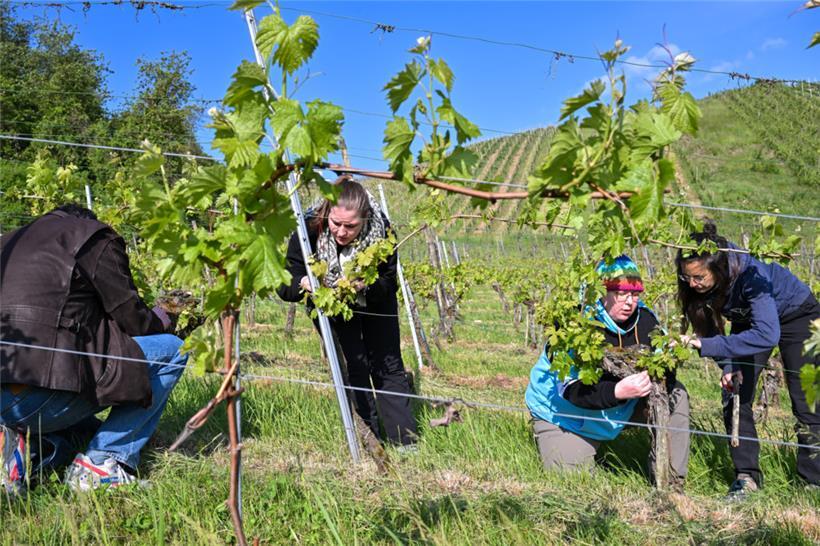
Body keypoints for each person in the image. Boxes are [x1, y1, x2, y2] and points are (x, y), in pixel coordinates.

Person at [1, 204, 188, 494]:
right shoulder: (90, 237)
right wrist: (162, 317)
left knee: (86, 429)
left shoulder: (8, 243)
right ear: (86, 219)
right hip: (38, 396)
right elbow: (132, 320)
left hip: (5, 398)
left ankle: (27, 446)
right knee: (174, 350)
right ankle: (102, 463)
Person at [675, 221, 819, 499]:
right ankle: (746, 477)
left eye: (699, 278)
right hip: (749, 320)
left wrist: (706, 345)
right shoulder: (695, 285)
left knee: (808, 399)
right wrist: (729, 366)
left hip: (798, 314)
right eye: (686, 278)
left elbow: (767, 334)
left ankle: (814, 480)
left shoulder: (751, 273)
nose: (692, 284)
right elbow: (710, 330)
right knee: (735, 392)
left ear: (718, 268)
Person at [525, 255, 690, 486]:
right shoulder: (574, 324)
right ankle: (580, 447)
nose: (629, 302)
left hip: (619, 409)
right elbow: (570, 390)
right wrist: (617, 392)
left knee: (676, 394)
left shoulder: (646, 322)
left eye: (634, 294)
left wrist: (658, 373)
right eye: (620, 294)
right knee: (576, 489)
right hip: (566, 416)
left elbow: (665, 371)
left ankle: (671, 482)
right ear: (601, 292)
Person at [277, 179, 418, 447]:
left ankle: (405, 442)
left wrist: (367, 285)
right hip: (331, 307)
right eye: (336, 223)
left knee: (388, 365)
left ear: (365, 220)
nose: (341, 232)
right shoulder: (307, 230)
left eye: (351, 226)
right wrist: (304, 283)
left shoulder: (383, 232)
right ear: (326, 212)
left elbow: (389, 283)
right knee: (353, 366)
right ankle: (369, 441)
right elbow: (285, 283)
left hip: (376, 305)